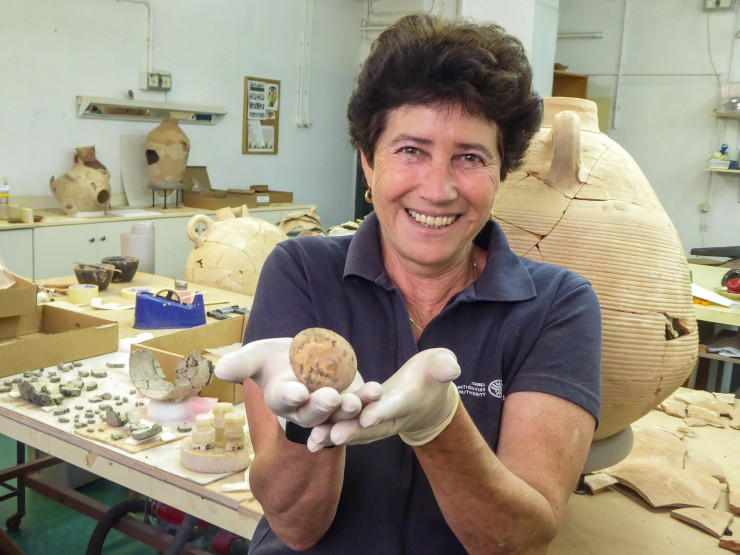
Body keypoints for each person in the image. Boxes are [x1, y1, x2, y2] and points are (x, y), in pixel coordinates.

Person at [215, 13, 601, 554]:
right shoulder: (301, 272)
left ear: (501, 174)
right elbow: (296, 527)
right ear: (368, 164)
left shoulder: (557, 306)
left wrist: (439, 424)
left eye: (470, 157)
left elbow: (519, 538)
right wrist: (303, 428)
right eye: (410, 150)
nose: (438, 189)